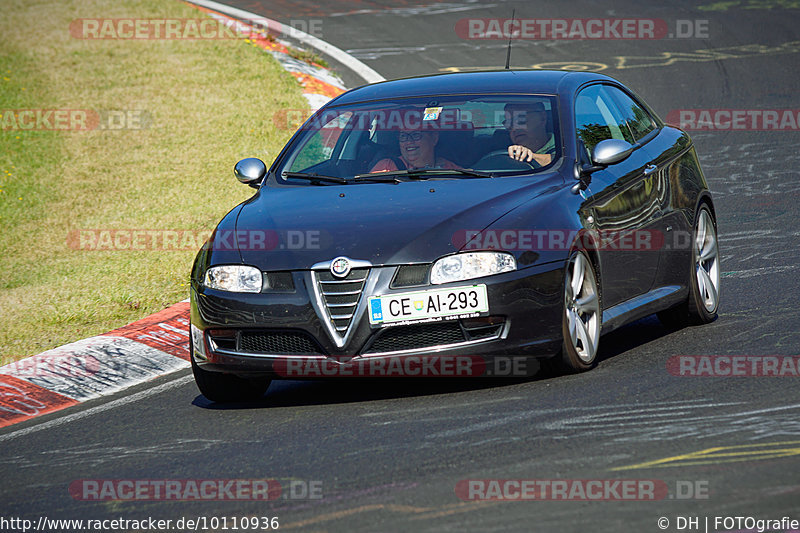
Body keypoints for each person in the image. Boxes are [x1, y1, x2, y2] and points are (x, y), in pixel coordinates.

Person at [369, 110, 460, 172]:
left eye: (416, 135)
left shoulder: (449, 169)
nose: (408, 142)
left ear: (434, 138)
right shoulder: (386, 168)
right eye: (403, 136)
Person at [503, 102, 555, 166]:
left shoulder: (565, 146)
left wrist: (529, 156)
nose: (514, 129)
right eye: (508, 123)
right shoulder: (502, 150)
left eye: (520, 120)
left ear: (542, 118)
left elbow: (564, 163)